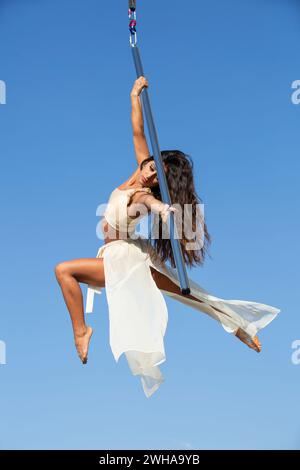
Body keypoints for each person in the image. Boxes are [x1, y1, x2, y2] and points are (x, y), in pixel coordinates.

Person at [54, 76, 280, 398]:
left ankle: (82, 330)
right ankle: (238, 325)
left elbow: (145, 201)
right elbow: (137, 131)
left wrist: (160, 208)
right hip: (126, 254)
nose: (149, 173)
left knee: (181, 290)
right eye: (150, 166)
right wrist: (134, 94)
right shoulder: (141, 168)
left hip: (127, 258)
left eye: (155, 176)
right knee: (183, 291)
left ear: (158, 184)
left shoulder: (142, 195)